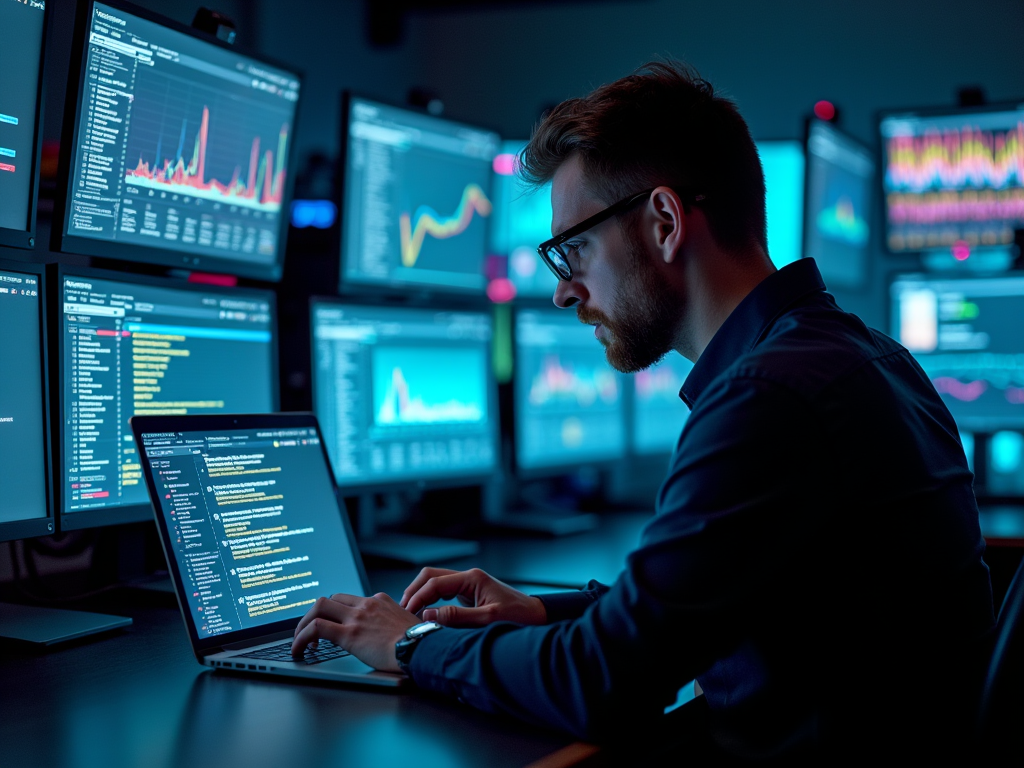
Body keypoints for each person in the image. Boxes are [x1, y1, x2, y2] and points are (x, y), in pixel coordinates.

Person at [291, 61, 994, 761]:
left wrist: (414, 644)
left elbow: (602, 682)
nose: (565, 293)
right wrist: (539, 609)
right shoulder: (869, 359)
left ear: (663, 221)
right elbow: (692, 608)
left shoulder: (766, 400)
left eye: (575, 250)